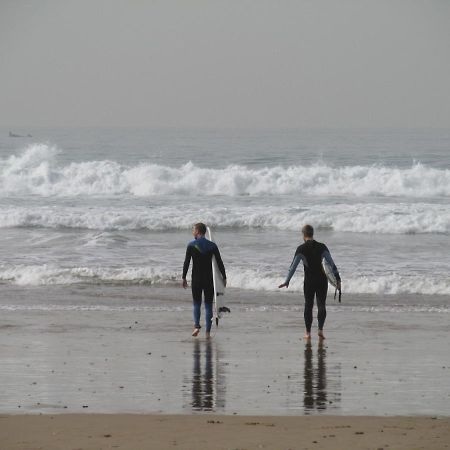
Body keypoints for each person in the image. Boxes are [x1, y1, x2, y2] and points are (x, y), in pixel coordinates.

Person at [279, 224, 341, 341]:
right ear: (313, 233)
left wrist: (287, 281)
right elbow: (332, 264)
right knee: (321, 305)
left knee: (308, 305)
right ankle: (320, 330)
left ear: (303, 234)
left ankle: (307, 333)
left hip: (309, 282)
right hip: (322, 281)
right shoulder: (322, 247)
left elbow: (293, 267)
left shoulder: (301, 249)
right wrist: (338, 279)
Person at [182, 223, 226, 338]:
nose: (192, 232)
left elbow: (186, 263)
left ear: (197, 231)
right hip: (209, 280)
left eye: (193, 230)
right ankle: (207, 332)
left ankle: (196, 326)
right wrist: (224, 277)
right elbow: (220, 262)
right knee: (208, 305)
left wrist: (183, 277)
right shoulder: (212, 245)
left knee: (196, 304)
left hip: (196, 279)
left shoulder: (191, 245)